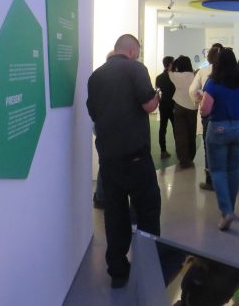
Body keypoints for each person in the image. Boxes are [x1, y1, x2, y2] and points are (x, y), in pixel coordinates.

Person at [86, 34, 162, 288]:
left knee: (115, 215)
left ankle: (117, 271)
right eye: (137, 53)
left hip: (109, 158)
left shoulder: (96, 76)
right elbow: (150, 106)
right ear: (131, 51)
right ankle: (149, 266)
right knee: (148, 210)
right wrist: (158, 95)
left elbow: (93, 112)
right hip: (136, 157)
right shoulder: (135, 69)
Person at [200, 48, 239, 231]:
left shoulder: (213, 83)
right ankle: (232, 207)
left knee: (218, 171)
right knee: (233, 169)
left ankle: (226, 211)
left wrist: (202, 104)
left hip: (219, 129)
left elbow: (205, 110)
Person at [189, 43, 224, 191]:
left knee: (209, 146)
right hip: (227, 116)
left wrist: (198, 99)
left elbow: (193, 90)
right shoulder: (231, 73)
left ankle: (210, 179)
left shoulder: (203, 72)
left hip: (209, 114)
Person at [169, 56, 198, 168]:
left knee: (181, 134)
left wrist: (174, 64)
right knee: (191, 133)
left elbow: (170, 70)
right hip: (193, 107)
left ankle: (183, 159)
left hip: (179, 107)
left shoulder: (176, 76)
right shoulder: (195, 75)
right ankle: (191, 156)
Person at [155, 56, 175, 159]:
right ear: (170, 64)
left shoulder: (159, 78)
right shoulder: (175, 77)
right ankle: (179, 149)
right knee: (176, 128)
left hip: (163, 105)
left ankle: (163, 151)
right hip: (174, 105)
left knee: (162, 128)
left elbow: (157, 92)